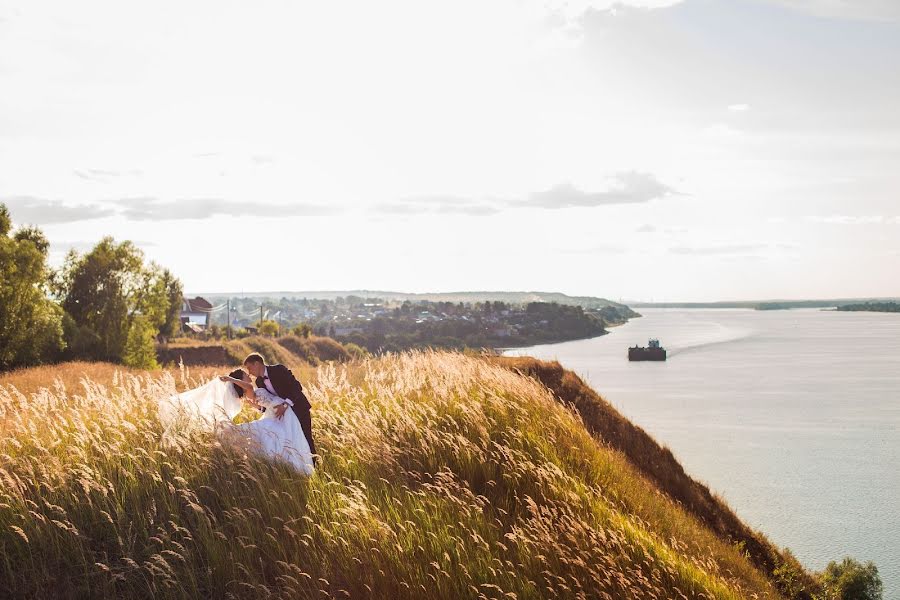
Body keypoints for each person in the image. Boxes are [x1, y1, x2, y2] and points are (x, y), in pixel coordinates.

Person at [219, 368, 314, 475]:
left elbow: (262, 408)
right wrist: (231, 379)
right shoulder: (249, 390)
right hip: (280, 412)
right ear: (241, 380)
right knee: (286, 437)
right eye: (245, 374)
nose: (249, 374)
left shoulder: (251, 393)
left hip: (280, 412)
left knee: (290, 436)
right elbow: (249, 387)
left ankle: (294, 467)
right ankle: (294, 466)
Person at [242, 353, 318, 466]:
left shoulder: (279, 369)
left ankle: (314, 467)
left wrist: (285, 405)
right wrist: (258, 407)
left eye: (249, 368)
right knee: (291, 441)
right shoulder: (259, 382)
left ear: (257, 364)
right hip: (283, 417)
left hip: (299, 409)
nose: (249, 372)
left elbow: (297, 387)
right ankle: (297, 466)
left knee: (306, 438)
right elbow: (270, 403)